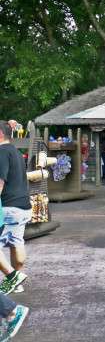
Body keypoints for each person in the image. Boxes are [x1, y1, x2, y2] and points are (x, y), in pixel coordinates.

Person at [0, 121, 30, 294]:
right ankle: (17, 283)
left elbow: (0, 182)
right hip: (23, 206)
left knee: (13, 243)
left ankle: (13, 277)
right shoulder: (17, 152)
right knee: (16, 243)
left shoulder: (2, 152)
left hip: (9, 207)